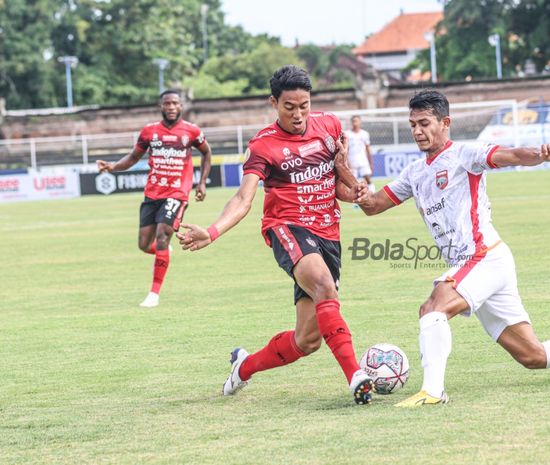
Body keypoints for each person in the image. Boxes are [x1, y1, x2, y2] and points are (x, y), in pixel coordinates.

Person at [356, 90, 550, 407]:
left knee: (433, 308)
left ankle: (433, 392)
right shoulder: (414, 172)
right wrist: (340, 168)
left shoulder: (464, 155)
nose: (417, 131)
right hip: (481, 266)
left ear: (445, 122)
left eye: (424, 123)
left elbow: (512, 156)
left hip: (483, 257)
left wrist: (540, 154)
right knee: (533, 355)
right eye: (412, 124)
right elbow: (372, 205)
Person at [176, 65, 374, 405]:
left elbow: (339, 187)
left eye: (304, 106)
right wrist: (212, 231)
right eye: (289, 107)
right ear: (274, 103)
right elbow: (243, 198)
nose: (298, 115)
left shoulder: (329, 126)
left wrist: (352, 183)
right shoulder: (263, 146)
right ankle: (356, 375)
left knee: (307, 340)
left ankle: (245, 366)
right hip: (288, 228)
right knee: (325, 286)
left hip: (328, 231)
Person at [97, 90, 212, 308]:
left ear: (181, 106)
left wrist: (202, 182)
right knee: (143, 244)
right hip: (152, 194)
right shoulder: (149, 132)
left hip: (177, 193)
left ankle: (154, 294)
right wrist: (112, 167)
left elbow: (207, 152)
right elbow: (133, 157)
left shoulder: (192, 131)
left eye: (175, 103)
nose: (171, 107)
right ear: (161, 106)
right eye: (167, 103)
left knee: (162, 235)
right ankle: (163, 253)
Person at [345, 115, 374, 192]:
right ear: (351, 122)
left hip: (363, 161)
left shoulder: (364, 134)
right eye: (353, 121)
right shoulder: (347, 134)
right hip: (352, 161)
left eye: (356, 121)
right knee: (353, 183)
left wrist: (371, 163)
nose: (355, 123)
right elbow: (345, 150)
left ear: (360, 122)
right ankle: (356, 200)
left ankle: (373, 194)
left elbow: (368, 148)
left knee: (368, 179)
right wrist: (347, 163)